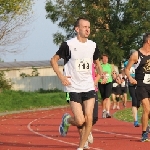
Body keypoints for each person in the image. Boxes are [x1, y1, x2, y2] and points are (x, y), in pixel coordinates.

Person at [50, 17, 103, 150]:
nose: (87, 29)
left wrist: (100, 75)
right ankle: (67, 120)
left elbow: (97, 62)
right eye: (84, 27)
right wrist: (61, 76)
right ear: (77, 29)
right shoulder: (68, 45)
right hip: (72, 87)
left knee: (89, 118)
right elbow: (53, 61)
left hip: (88, 86)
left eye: (89, 27)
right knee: (80, 120)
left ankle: (81, 147)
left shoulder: (93, 45)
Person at [65, 63, 100, 149]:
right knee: (81, 119)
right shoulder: (74, 57)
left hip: (91, 90)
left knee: (93, 117)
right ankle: (83, 141)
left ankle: (86, 130)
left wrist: (94, 82)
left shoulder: (92, 59)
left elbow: (99, 72)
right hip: (77, 90)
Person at [125, 33, 150, 142]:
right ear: (148, 41)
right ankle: (144, 133)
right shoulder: (136, 54)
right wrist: (130, 78)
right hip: (141, 85)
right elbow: (126, 69)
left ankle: (146, 126)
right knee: (146, 108)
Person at [124, 49, 140, 127]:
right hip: (131, 83)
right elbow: (127, 71)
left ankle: (136, 115)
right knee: (134, 100)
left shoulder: (139, 62)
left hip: (139, 83)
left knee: (138, 103)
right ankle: (136, 120)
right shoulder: (127, 63)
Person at [98, 54, 114, 118]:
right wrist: (102, 74)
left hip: (109, 82)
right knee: (103, 97)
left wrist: (115, 75)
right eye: (103, 58)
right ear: (102, 59)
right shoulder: (100, 66)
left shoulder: (110, 66)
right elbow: (97, 73)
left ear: (108, 59)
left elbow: (113, 72)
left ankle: (108, 112)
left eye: (106, 58)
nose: (105, 60)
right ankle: (104, 110)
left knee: (107, 97)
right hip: (101, 82)